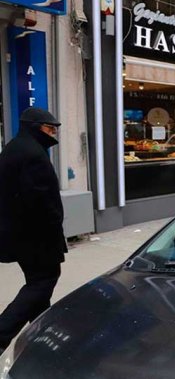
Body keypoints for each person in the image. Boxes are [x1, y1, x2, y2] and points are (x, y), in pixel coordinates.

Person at [0, 108, 66, 353]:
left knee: (38, 284)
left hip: (19, 235)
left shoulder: (14, 148)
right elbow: (43, 202)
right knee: (43, 282)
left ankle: (41, 335)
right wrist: (55, 231)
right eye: (50, 129)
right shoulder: (33, 155)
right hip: (36, 237)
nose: (53, 133)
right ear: (35, 127)